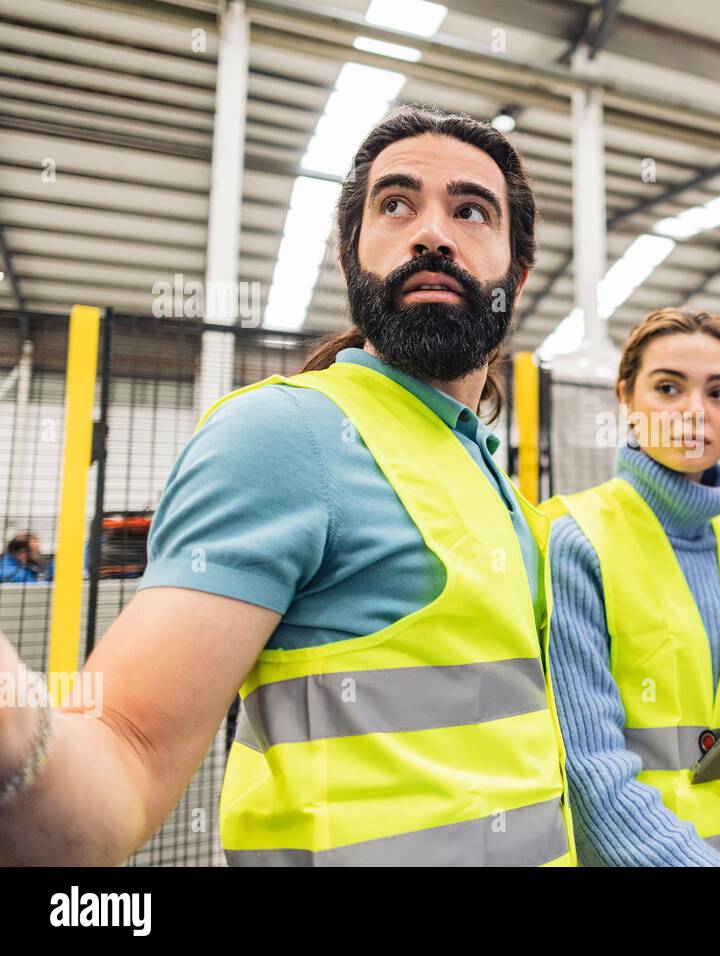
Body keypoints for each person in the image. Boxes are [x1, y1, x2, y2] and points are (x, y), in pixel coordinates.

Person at [0, 107, 577, 866]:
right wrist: (16, 735)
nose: (433, 232)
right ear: (349, 257)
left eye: (471, 210)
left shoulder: (484, 473)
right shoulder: (285, 435)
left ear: (518, 276)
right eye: (396, 204)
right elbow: (126, 749)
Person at [544, 308, 720, 866]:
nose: (694, 412)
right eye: (668, 387)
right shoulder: (576, 538)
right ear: (626, 399)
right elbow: (589, 771)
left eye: (719, 394)